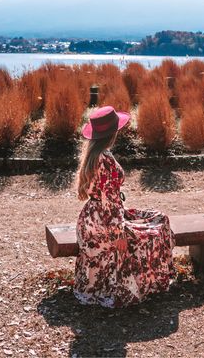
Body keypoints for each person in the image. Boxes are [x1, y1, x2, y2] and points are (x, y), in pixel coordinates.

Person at [73, 105, 176, 308]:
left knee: (157, 218)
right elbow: (110, 202)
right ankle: (149, 282)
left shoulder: (93, 156)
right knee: (157, 226)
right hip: (107, 222)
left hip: (90, 219)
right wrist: (118, 232)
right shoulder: (106, 161)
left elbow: (107, 200)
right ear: (113, 133)